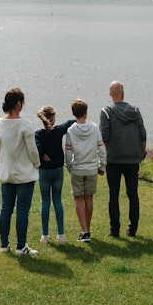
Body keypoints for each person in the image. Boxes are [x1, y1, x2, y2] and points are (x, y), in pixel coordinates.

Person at [0, 87, 41, 255]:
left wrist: (4, 160)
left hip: (6, 172)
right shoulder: (25, 124)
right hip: (24, 173)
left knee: (6, 209)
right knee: (22, 210)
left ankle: (4, 244)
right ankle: (21, 246)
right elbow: (32, 150)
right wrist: (36, 164)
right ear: (19, 104)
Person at [99, 81, 147, 238]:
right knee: (133, 194)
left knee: (114, 195)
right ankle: (132, 229)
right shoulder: (135, 111)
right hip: (133, 159)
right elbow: (142, 134)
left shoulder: (106, 112)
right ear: (123, 93)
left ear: (110, 94)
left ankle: (115, 230)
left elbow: (104, 136)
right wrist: (142, 152)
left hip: (114, 158)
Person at [64, 98, 106, 243]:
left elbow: (68, 153)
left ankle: (85, 231)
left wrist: (69, 167)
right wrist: (102, 166)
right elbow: (102, 149)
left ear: (74, 113)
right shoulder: (94, 128)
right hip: (92, 168)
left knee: (78, 198)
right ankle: (86, 229)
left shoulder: (71, 130)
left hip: (77, 168)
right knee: (89, 198)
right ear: (86, 113)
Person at [35, 105, 74, 245]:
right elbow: (70, 123)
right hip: (57, 170)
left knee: (45, 202)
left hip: (44, 171)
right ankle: (61, 235)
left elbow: (36, 148)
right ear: (53, 118)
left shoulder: (38, 134)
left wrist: (42, 156)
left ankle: (45, 236)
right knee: (57, 200)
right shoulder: (58, 131)